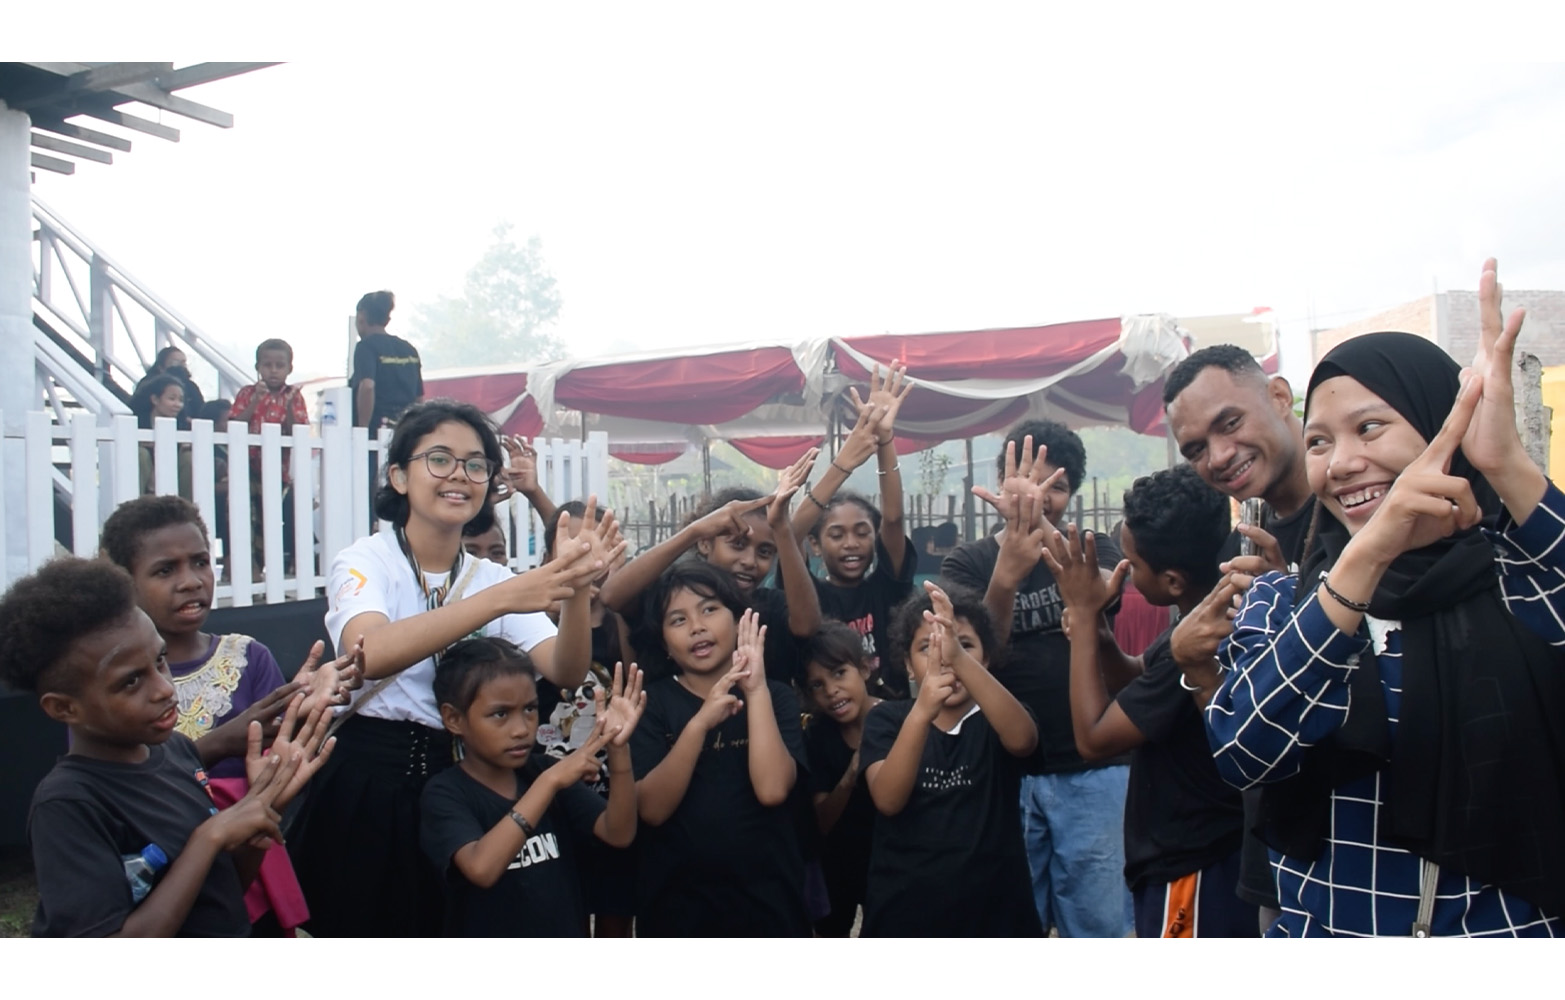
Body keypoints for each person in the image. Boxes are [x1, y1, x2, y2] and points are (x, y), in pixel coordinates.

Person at [1208, 261, 1565, 937]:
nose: (1339, 462)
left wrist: (1506, 466)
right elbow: (1244, 748)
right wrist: (1366, 557)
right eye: (1318, 441)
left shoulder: (1518, 576)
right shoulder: (1282, 603)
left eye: (1368, 428)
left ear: (1442, 430)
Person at [285, 399, 619, 937]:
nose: (459, 475)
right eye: (439, 459)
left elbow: (564, 667)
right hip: (368, 780)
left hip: (459, 781)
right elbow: (368, 652)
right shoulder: (367, 560)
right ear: (399, 475)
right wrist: (504, 598)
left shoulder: (491, 577)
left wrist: (576, 589)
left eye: (476, 464)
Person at [0, 557, 335, 937]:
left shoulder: (177, 752)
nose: (163, 688)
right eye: (130, 682)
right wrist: (209, 837)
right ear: (64, 707)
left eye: (160, 661)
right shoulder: (68, 805)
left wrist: (258, 817)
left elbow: (218, 897)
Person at [1043, 468, 1256, 937]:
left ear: (1173, 580)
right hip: (1191, 857)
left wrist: (1079, 613)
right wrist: (1097, 630)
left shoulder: (1200, 648)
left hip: (1195, 866)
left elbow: (1094, 738)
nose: (1126, 572)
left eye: (1134, 565)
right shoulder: (1198, 616)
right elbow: (1136, 677)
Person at [940, 420, 1133, 937]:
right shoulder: (969, 561)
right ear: (1002, 483)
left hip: (1095, 767)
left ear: (1074, 493)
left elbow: (1102, 595)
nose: (1041, 497)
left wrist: (1041, 530)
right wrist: (1006, 572)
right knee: (1011, 922)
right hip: (1005, 772)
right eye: (1027, 483)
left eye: (1057, 488)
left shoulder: (1095, 549)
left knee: (1099, 924)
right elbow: (973, 652)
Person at [1163, 342, 1317, 929]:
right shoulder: (1241, 553)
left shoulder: (1357, 517)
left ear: (1279, 396)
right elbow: (1243, 737)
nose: (1219, 457)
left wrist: (1296, 610)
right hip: (1277, 856)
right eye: (1196, 449)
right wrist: (1197, 669)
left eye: (1229, 424)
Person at [630, 562, 811, 936]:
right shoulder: (653, 705)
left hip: (769, 903)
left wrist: (755, 688)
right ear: (663, 643)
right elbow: (652, 810)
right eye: (677, 620)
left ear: (738, 618)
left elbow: (773, 789)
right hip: (677, 908)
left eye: (709, 609)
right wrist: (699, 724)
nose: (697, 626)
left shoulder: (775, 695)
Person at [420, 637, 642, 937]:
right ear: (454, 719)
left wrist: (618, 750)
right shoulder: (445, 793)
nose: (522, 729)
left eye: (530, 709)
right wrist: (548, 784)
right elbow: (481, 868)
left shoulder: (543, 770)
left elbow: (619, 833)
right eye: (500, 714)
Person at [860, 581, 1042, 937]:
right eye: (928, 647)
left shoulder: (997, 718)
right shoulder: (889, 720)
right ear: (908, 667)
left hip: (997, 916)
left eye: (963, 645)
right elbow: (887, 799)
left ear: (985, 659)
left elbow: (1024, 741)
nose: (944, 656)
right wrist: (922, 712)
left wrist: (958, 658)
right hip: (905, 915)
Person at [602, 450, 822, 686]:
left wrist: (782, 528)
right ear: (705, 543)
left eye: (765, 552)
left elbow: (807, 625)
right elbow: (612, 596)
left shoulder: (766, 606)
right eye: (738, 544)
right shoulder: (671, 598)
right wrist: (694, 531)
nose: (750, 560)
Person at [792, 363, 917, 696]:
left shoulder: (886, 590)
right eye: (836, 534)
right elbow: (788, 536)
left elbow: (893, 519)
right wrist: (843, 464)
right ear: (815, 545)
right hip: (827, 724)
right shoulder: (809, 595)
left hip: (891, 715)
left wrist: (885, 438)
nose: (851, 543)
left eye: (862, 532)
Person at [800, 622, 882, 936]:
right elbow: (820, 820)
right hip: (838, 866)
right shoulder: (818, 735)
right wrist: (850, 774)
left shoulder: (899, 719)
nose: (831, 690)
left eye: (838, 674)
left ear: (864, 669)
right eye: (817, 685)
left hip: (889, 864)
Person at [231, 338, 312, 573]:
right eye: (267, 365)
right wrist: (255, 400)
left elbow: (298, 431)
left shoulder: (294, 396)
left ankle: (276, 565)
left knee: (273, 518)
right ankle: (251, 567)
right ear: (258, 367)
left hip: (277, 470)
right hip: (247, 467)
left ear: (289, 368)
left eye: (280, 365)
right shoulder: (247, 393)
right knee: (248, 516)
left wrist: (287, 406)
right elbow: (236, 424)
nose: (273, 371)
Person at [349, 290, 423, 434]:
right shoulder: (409, 349)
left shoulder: (366, 346)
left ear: (361, 316)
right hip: (404, 431)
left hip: (376, 431)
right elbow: (419, 398)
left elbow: (368, 386)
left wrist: (362, 429)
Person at [132, 374, 192, 498]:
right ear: (155, 399)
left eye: (181, 400)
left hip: (172, 475)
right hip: (146, 476)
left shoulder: (184, 425)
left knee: (188, 458)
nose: (178, 404)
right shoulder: (137, 422)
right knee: (141, 454)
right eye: (172, 398)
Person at [136, 346, 206, 426]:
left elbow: (200, 411)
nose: (181, 366)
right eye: (175, 362)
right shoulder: (148, 384)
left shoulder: (191, 387)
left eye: (183, 362)